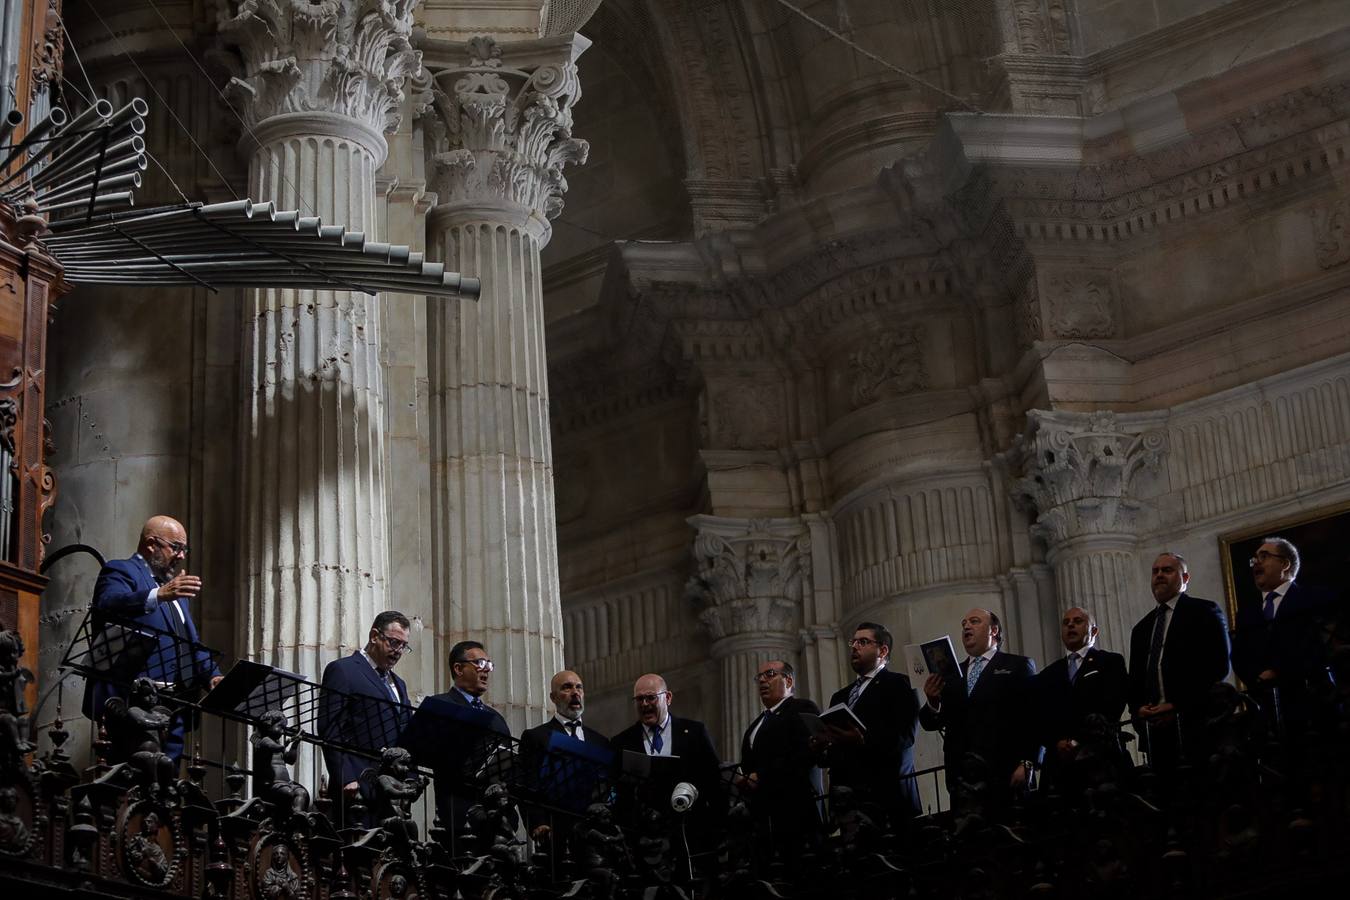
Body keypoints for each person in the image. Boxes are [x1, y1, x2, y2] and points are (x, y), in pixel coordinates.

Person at [80, 515, 222, 762]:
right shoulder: (121, 570)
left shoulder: (176, 592)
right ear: (151, 544)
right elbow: (107, 604)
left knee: (167, 779)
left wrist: (213, 675)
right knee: (136, 773)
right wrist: (158, 594)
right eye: (176, 547)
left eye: (184, 549)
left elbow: (190, 643)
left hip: (175, 706)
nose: (181, 556)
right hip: (133, 702)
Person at [919, 608, 1037, 810]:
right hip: (962, 778)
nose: (966, 626)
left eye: (974, 621)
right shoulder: (952, 674)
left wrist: (1028, 762)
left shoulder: (1017, 665)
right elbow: (930, 723)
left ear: (993, 630)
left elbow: (1033, 717)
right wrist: (932, 701)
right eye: (964, 623)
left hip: (1004, 771)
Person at [1127, 552, 1230, 769]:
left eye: (1167, 570)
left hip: (1196, 724)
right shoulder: (1141, 629)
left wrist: (1177, 706)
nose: (1160, 575)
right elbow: (1135, 680)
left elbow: (1217, 667)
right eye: (1155, 571)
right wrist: (1138, 711)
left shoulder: (1204, 612)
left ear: (1185, 578)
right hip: (1155, 732)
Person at [816, 622, 920, 824]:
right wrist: (823, 748)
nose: (855, 646)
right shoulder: (840, 696)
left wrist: (863, 740)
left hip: (887, 794)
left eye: (863, 642)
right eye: (853, 642)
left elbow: (904, 737)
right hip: (848, 800)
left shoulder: (899, 684)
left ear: (882, 650)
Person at [317, 611, 413, 825]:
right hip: (357, 786)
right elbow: (330, 728)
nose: (398, 651)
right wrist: (346, 777)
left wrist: (410, 780)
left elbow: (405, 733)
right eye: (393, 642)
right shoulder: (343, 670)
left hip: (391, 790)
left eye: (403, 646)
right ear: (374, 636)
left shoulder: (400, 684)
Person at [611, 673, 724, 854]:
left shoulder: (695, 732)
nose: (645, 704)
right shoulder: (621, 742)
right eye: (639, 699)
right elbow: (617, 791)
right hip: (643, 840)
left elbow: (713, 782)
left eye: (650, 697)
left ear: (668, 698)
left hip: (690, 832)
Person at [1231, 537, 1333, 733]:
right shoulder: (1246, 613)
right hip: (1267, 709)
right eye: (1254, 559)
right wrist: (1257, 677)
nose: (1256, 563)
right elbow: (1239, 656)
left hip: (1312, 703)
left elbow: (1319, 645)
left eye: (1264, 556)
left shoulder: (1313, 599)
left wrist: (1279, 671)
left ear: (1285, 564)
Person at [1033, 607, 1128, 789]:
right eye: (1066, 623)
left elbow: (1113, 705)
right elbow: (1041, 716)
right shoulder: (1048, 674)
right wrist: (1057, 742)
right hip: (1059, 763)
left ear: (1093, 630)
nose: (1070, 626)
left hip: (1099, 758)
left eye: (1077, 621)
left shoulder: (1110, 662)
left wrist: (1080, 740)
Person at [737, 660, 823, 858]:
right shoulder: (755, 725)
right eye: (759, 677)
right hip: (763, 817)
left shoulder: (802, 707)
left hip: (796, 810)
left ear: (789, 680)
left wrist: (762, 776)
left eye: (769, 675)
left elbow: (804, 753)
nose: (762, 681)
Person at [425, 640, 511, 832]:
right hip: (459, 808)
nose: (486, 670)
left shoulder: (496, 718)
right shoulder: (440, 706)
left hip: (496, 813)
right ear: (458, 668)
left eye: (489, 665)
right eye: (480, 663)